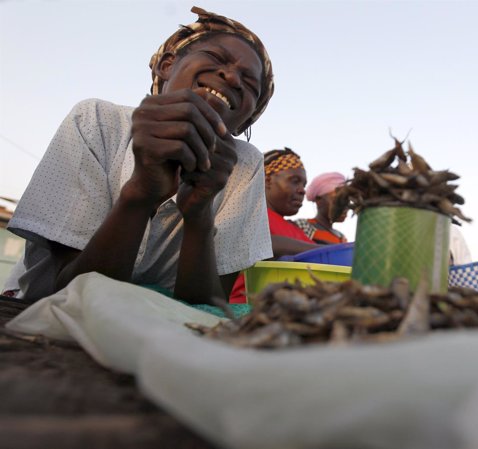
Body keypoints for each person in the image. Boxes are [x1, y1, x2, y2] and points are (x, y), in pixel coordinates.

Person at [2, 7, 275, 306]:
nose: (232, 77)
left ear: (247, 121)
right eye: (217, 57)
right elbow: (69, 295)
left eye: (250, 84)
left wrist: (199, 216)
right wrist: (142, 191)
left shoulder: (244, 166)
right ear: (167, 66)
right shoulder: (98, 122)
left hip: (151, 329)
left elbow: (209, 307)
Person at [229, 148, 321, 304]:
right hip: (247, 309)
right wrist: (322, 251)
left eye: (304, 184)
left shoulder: (296, 230)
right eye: (294, 181)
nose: (302, 190)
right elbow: (260, 243)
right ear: (267, 180)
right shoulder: (247, 213)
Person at [294, 172, 348, 244]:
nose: (344, 205)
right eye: (336, 199)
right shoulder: (303, 226)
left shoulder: (341, 238)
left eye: (347, 200)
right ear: (318, 200)